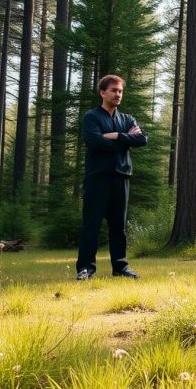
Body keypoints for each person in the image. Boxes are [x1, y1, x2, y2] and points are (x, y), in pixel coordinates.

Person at [75, 75, 148, 280]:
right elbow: (95, 142)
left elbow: (142, 139)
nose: (118, 94)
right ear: (102, 92)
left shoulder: (127, 119)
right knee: (92, 224)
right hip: (97, 177)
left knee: (118, 226)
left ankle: (120, 267)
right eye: (114, 90)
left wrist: (116, 136)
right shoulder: (92, 117)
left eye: (120, 91)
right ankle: (85, 269)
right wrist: (127, 139)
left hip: (121, 177)